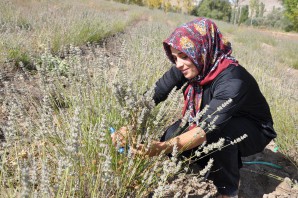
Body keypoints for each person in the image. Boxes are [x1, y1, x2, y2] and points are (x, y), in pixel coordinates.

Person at [112, 17, 277, 197]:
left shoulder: (233, 80)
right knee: (172, 136)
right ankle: (206, 162)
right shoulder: (192, 65)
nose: (178, 64)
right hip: (216, 119)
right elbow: (153, 96)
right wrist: (128, 126)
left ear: (202, 49)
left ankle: (228, 190)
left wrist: (161, 148)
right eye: (175, 57)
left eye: (183, 56)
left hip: (253, 129)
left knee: (217, 136)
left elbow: (205, 129)